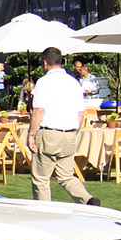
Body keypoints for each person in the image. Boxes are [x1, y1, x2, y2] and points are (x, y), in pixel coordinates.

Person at [29, 48, 99, 206]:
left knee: (41, 178)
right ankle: (88, 200)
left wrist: (31, 134)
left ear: (45, 63)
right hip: (70, 133)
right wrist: (74, 131)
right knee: (66, 176)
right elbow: (81, 113)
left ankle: (44, 213)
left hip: (49, 133)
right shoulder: (74, 82)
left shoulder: (43, 82)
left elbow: (39, 111)